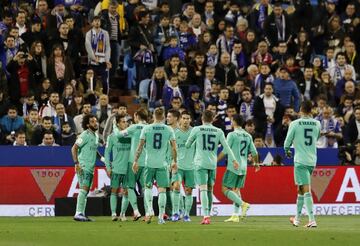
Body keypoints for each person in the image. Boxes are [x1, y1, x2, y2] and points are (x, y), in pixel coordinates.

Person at [185, 110, 238, 225]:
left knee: (203, 189)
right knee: (210, 189)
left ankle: (206, 216)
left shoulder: (196, 129)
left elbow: (187, 145)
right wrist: (234, 160)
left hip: (200, 163)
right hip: (212, 164)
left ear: (202, 118)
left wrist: (196, 142)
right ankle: (208, 213)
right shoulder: (218, 131)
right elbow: (226, 147)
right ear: (213, 119)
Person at [132, 107, 177, 224]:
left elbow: (140, 147)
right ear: (163, 117)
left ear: (153, 116)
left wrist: (135, 161)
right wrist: (174, 161)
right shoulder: (168, 129)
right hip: (162, 164)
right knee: (162, 190)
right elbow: (174, 147)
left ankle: (150, 210)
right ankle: (161, 217)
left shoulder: (147, 128)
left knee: (148, 187)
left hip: (149, 163)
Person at [284, 100, 321, 228]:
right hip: (312, 160)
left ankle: (312, 219)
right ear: (311, 110)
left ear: (300, 110)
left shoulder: (294, 123)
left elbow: (287, 142)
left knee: (306, 189)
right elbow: (316, 138)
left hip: (300, 160)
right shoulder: (317, 123)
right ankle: (297, 219)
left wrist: (287, 151)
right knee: (300, 189)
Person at [218, 114, 260, 222]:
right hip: (243, 167)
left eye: (232, 120)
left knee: (225, 188)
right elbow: (254, 152)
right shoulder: (248, 136)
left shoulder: (232, 135)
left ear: (234, 122)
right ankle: (235, 215)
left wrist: (216, 161)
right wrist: (256, 163)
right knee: (236, 190)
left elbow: (225, 150)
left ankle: (243, 204)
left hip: (233, 166)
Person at [113, 108, 148, 218]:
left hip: (133, 161)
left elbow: (118, 135)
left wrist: (114, 125)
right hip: (146, 162)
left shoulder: (133, 127)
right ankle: (148, 212)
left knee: (130, 187)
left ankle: (136, 211)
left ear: (137, 115)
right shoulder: (149, 128)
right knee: (146, 188)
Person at [105, 114, 139, 221]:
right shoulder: (112, 137)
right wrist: (108, 167)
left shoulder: (131, 136)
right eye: (123, 122)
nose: (126, 123)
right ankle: (114, 214)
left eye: (126, 122)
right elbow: (107, 153)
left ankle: (122, 213)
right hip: (116, 168)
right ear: (118, 123)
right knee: (114, 191)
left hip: (128, 169)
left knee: (126, 192)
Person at [71, 114, 105, 222]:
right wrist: (76, 163)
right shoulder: (85, 135)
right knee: (84, 189)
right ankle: (78, 213)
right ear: (87, 124)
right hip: (83, 166)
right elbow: (74, 148)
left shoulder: (95, 136)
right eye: (92, 122)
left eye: (96, 121)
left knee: (85, 190)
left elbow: (94, 150)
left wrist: (102, 159)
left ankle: (82, 213)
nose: (95, 123)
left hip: (90, 167)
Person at [171, 111, 194, 222]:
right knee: (176, 186)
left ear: (190, 120)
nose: (185, 120)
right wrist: (171, 161)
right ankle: (175, 213)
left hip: (191, 167)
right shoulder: (174, 132)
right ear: (180, 119)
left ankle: (186, 215)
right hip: (178, 166)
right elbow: (170, 149)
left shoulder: (194, 132)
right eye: (183, 118)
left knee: (189, 191)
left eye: (187, 118)